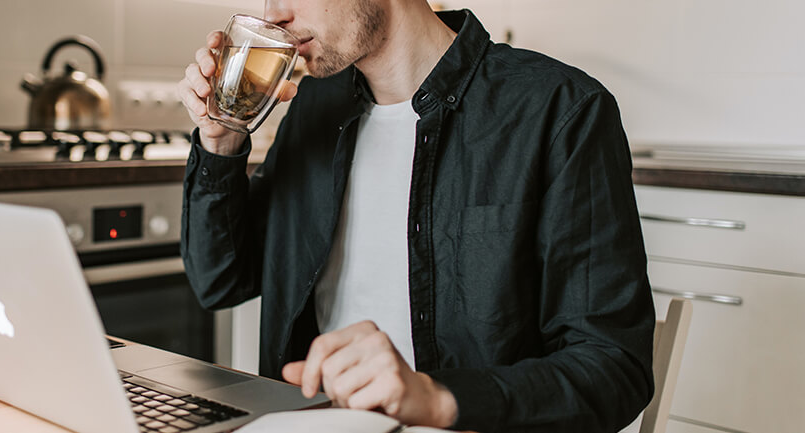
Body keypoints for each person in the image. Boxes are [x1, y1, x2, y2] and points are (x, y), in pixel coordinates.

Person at [176, 1, 655, 431]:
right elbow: (221, 280)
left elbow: (613, 368)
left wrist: (437, 398)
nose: (273, 13)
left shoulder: (559, 110)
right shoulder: (314, 107)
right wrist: (222, 143)